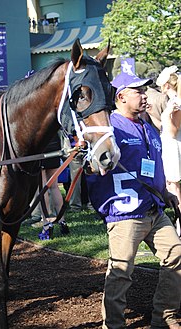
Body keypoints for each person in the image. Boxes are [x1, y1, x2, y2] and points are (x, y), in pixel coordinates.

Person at [86, 71, 181, 329]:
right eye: (138, 91)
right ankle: (113, 325)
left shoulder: (147, 124)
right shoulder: (110, 127)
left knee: (177, 256)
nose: (144, 95)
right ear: (121, 96)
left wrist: (166, 192)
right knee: (120, 273)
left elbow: (151, 166)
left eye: (144, 90)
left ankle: (165, 317)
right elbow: (92, 166)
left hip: (154, 209)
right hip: (125, 214)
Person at [156, 65, 181, 236]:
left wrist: (165, 116)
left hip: (173, 145)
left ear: (166, 86)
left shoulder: (175, 102)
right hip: (169, 143)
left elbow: (173, 131)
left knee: (174, 186)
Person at [37, 133, 69, 240]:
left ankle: (46, 223)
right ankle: (62, 221)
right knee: (54, 186)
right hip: (54, 145)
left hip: (41, 146)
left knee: (43, 187)